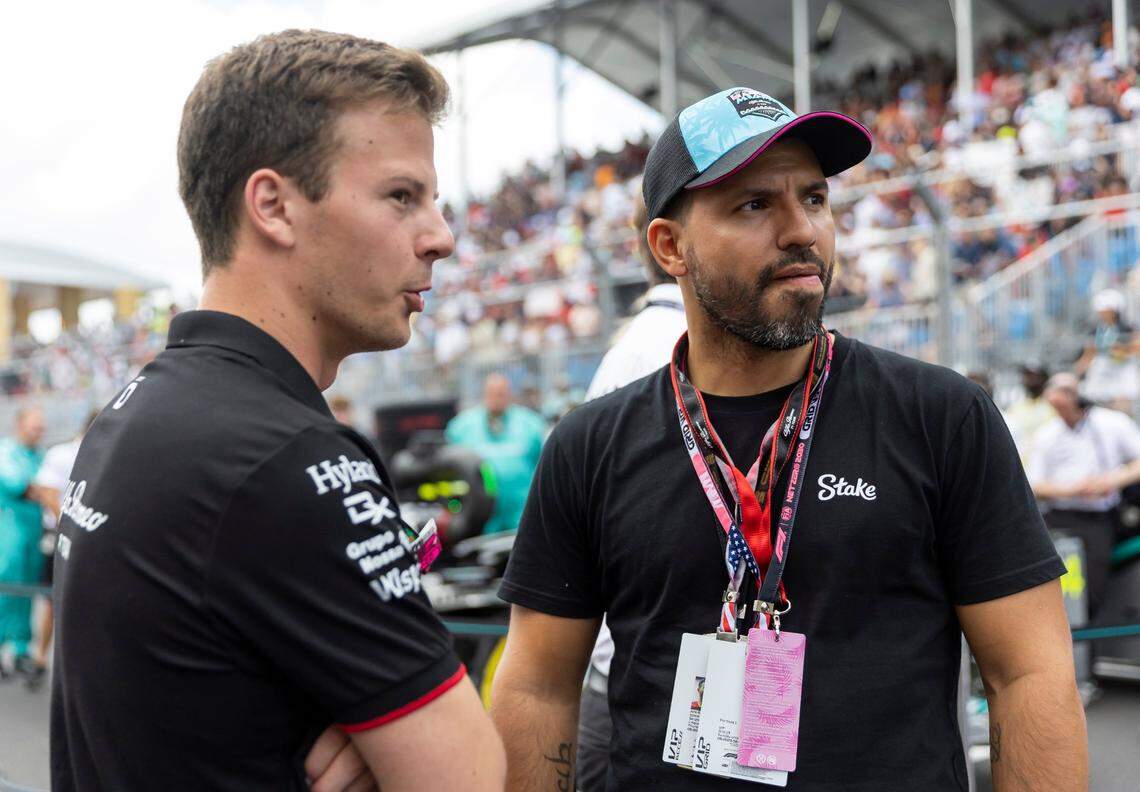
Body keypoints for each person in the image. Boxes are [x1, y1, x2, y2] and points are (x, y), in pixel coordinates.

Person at [490, 86, 1086, 791]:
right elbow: (538, 689)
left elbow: (1029, 673)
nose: (802, 229)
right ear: (671, 247)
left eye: (814, 198)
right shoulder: (589, 447)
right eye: (754, 204)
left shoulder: (942, 417)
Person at [51, 30, 505, 791]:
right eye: (402, 196)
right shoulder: (288, 458)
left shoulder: (133, 411)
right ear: (274, 206)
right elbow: (467, 776)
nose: (442, 237)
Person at [577, 196, 687, 791]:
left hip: (639, 664)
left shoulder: (639, 344)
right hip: (644, 668)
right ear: (669, 245)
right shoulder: (656, 347)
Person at [1028, 372, 1140, 619]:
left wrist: (1113, 480)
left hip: (1100, 518)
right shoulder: (1047, 434)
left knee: (1092, 589)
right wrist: (1074, 489)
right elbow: (1035, 484)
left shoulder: (1111, 423)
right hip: (1059, 516)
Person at [24, 411, 97, 689]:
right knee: (53, 601)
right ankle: (41, 658)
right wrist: (72, 526)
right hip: (62, 536)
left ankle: (75, 665)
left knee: (83, 601)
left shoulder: (104, 454)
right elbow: (47, 493)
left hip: (88, 538)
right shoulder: (62, 454)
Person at [445, 374, 545, 535]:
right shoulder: (461, 427)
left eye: (501, 392)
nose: (497, 397)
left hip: (521, 511)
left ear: (509, 394)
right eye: (492, 392)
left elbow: (542, 465)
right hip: (480, 513)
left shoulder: (531, 424)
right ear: (484, 394)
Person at [0, 406, 45, 681]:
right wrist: (43, 490)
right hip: (9, 534)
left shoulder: (38, 455)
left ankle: (20, 650)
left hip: (33, 534)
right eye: (34, 426)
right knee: (6, 591)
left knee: (27, 592)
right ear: (20, 424)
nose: (39, 432)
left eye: (41, 427)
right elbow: (18, 485)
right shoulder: (6, 452)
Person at [1076, 288, 1138, 411]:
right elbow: (1089, 353)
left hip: (1122, 372)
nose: (1103, 314)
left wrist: (1121, 350)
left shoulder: (1128, 329)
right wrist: (1080, 369)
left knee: (1123, 406)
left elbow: (1135, 349)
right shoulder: (1095, 330)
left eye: (1107, 310)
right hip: (1101, 373)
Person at [1004, 365, 1055, 464]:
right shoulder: (1015, 408)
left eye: (1035, 377)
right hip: (1021, 464)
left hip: (1047, 463)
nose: (1031, 381)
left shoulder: (1053, 406)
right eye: (1028, 376)